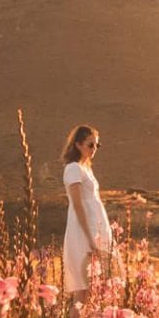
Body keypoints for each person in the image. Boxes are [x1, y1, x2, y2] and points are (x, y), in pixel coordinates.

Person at [62, 124, 114, 296]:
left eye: (97, 145)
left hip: (95, 231)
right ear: (78, 145)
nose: (94, 149)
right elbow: (78, 205)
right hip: (83, 233)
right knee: (83, 292)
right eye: (90, 145)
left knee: (94, 290)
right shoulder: (73, 168)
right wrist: (90, 238)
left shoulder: (86, 169)